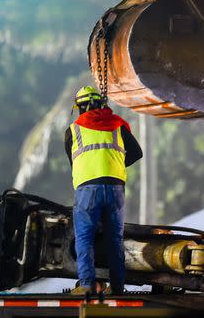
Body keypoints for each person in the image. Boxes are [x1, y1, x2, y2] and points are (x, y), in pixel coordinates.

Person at [65, 86, 142, 296]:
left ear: (79, 107)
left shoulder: (74, 130)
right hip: (115, 188)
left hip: (88, 189)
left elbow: (74, 162)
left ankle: (88, 284)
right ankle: (116, 288)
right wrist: (113, 161)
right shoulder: (118, 126)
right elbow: (136, 153)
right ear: (101, 104)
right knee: (115, 240)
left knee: (85, 238)